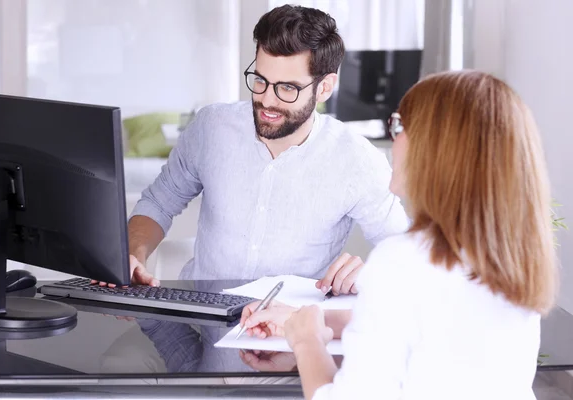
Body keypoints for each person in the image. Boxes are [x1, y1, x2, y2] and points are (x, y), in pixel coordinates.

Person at [239, 70, 558, 400]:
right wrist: (301, 322)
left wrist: (305, 345)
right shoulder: (510, 257)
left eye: (400, 126)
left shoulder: (403, 262)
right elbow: (425, 326)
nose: (395, 139)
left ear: (438, 149)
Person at [97, 5, 409, 292]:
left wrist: (368, 272)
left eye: (287, 87)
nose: (267, 100)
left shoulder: (356, 159)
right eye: (260, 80)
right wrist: (133, 255)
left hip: (289, 332)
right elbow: (158, 203)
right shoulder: (211, 127)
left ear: (324, 87)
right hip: (200, 319)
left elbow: (407, 249)